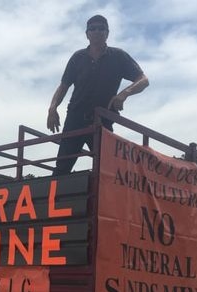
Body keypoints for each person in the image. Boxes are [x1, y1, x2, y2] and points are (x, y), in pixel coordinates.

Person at [47, 15, 149, 175]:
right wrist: (52, 108)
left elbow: (143, 80)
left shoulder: (118, 56)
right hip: (75, 119)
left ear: (107, 33)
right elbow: (63, 86)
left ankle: (105, 199)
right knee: (62, 168)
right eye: (92, 28)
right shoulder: (77, 58)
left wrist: (124, 93)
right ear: (87, 34)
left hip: (103, 120)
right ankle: (55, 199)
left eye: (101, 28)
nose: (97, 31)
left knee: (108, 169)